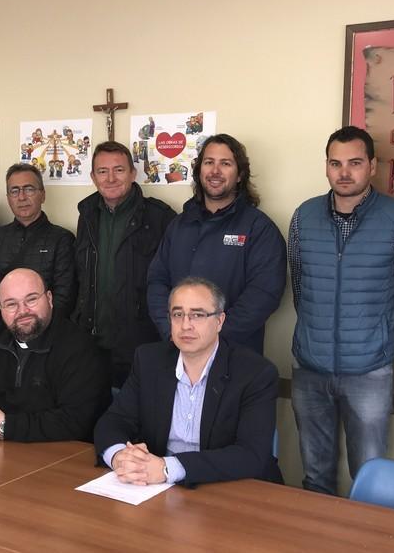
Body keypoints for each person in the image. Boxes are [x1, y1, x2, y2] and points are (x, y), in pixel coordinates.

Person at [288, 126, 394, 495]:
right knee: (315, 476)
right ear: (327, 167)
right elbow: (300, 287)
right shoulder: (303, 217)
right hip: (309, 367)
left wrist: (381, 339)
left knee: (368, 479)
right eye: (336, 163)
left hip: (369, 371)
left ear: (372, 166)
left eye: (354, 163)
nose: (344, 172)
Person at [94, 277, 281, 486]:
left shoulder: (255, 373)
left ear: (219, 321)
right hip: (158, 489)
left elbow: (251, 455)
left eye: (198, 315)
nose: (185, 325)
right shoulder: (149, 361)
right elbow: (113, 421)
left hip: (230, 488)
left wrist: (168, 468)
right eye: (178, 314)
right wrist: (119, 456)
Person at [147, 134, 286, 354]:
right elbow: (157, 281)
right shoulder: (178, 225)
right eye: (209, 162)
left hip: (234, 355)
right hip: (177, 351)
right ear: (199, 170)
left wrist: (212, 340)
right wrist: (172, 331)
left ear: (240, 174)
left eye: (226, 164)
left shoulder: (259, 229)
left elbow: (263, 295)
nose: (215, 171)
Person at [0, 268, 110, 442]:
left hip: (56, 457)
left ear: (50, 299)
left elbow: (75, 421)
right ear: (0, 308)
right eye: (11, 304)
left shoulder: (80, 347)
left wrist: (4, 426)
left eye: (31, 299)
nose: (23, 311)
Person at [73, 141, 176, 388]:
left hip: (140, 343)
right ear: (93, 177)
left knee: (137, 419)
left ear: (133, 173)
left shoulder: (160, 217)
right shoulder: (86, 215)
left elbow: (175, 282)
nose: (110, 178)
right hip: (92, 342)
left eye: (119, 170)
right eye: (102, 171)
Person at [0, 163, 75, 331]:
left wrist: (39, 331)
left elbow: (64, 295)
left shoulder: (62, 239)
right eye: (14, 191)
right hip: (1, 332)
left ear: (42, 195)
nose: (21, 197)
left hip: (48, 333)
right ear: (8, 198)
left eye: (29, 189)